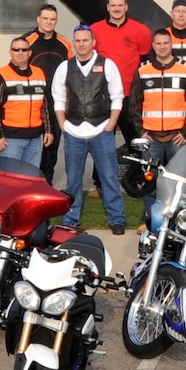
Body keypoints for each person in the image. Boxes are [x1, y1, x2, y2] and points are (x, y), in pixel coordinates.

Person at [52, 25, 127, 234]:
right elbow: (58, 98)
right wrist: (62, 125)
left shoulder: (107, 65)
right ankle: (70, 218)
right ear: (74, 43)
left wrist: (111, 125)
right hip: (73, 131)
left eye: (85, 40)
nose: (81, 44)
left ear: (93, 42)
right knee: (73, 179)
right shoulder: (64, 67)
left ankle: (117, 218)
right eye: (78, 40)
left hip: (101, 129)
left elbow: (117, 96)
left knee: (109, 176)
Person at [122, 29, 186, 223]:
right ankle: (150, 219)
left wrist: (185, 131)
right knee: (150, 180)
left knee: (180, 180)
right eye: (158, 43)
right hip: (151, 138)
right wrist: (141, 132)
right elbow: (133, 104)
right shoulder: (143, 70)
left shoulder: (185, 68)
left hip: (177, 136)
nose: (162, 47)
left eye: (166, 43)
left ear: (171, 44)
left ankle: (180, 218)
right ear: (153, 45)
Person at [0, 34, 54, 170]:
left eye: (24, 50)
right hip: (10, 140)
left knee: (30, 180)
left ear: (30, 52)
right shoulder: (0, 75)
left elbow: (46, 106)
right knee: (10, 181)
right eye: (16, 50)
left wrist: (48, 130)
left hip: (35, 139)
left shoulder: (39, 73)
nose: (20, 53)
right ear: (10, 52)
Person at [24, 3, 71, 183]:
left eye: (52, 19)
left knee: (52, 148)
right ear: (38, 19)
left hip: (56, 104)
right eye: (45, 18)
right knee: (34, 149)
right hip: (33, 103)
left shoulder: (64, 43)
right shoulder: (27, 42)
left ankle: (47, 185)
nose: (49, 22)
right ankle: (31, 185)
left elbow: (71, 70)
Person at [89, 0, 152, 74]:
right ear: (108, 7)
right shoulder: (94, 30)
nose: (116, 9)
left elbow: (145, 62)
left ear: (126, 7)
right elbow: (90, 62)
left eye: (120, 5)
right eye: (113, 6)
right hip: (104, 85)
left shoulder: (142, 31)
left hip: (132, 85)